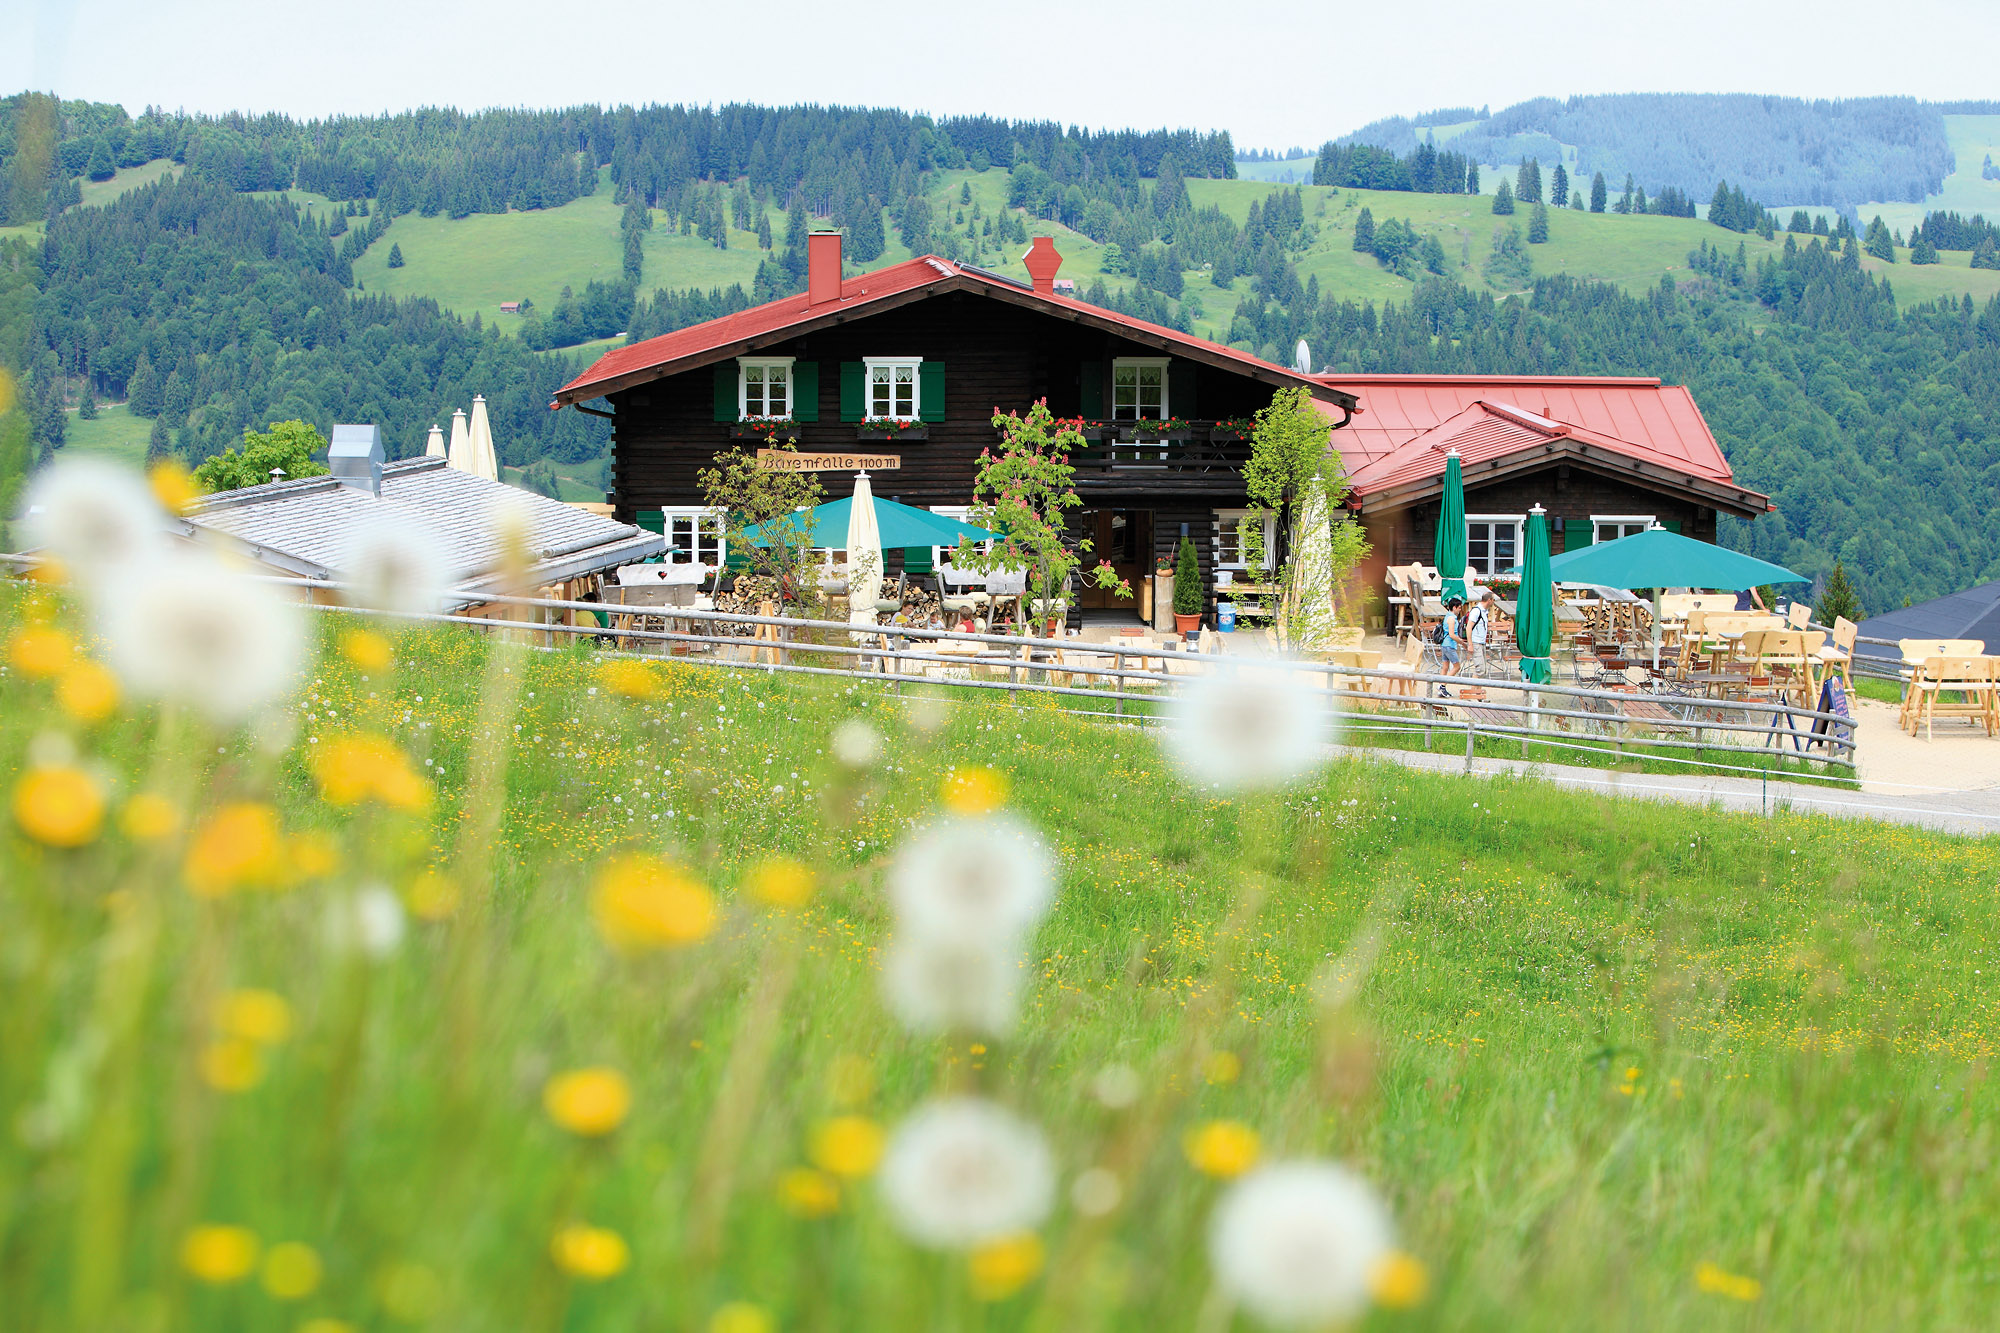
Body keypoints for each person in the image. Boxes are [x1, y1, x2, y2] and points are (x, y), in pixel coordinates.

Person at [1437, 595, 1464, 682]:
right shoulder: (1452, 618)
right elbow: (1452, 634)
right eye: (1459, 608)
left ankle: (1441, 684)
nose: (1460, 610)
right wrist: (1461, 642)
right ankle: (1443, 684)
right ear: (1454, 607)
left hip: (1445, 644)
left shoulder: (1447, 616)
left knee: (1445, 667)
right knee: (1457, 667)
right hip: (1450, 644)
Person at [1466, 589, 1491, 671]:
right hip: (1476, 643)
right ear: (1489, 600)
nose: (1493, 602)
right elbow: (1469, 627)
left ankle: (1476, 684)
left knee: (1482, 670)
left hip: (1482, 642)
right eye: (1493, 600)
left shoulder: (1485, 611)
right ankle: (1473, 684)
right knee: (1480, 669)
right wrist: (1470, 644)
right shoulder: (1476, 611)